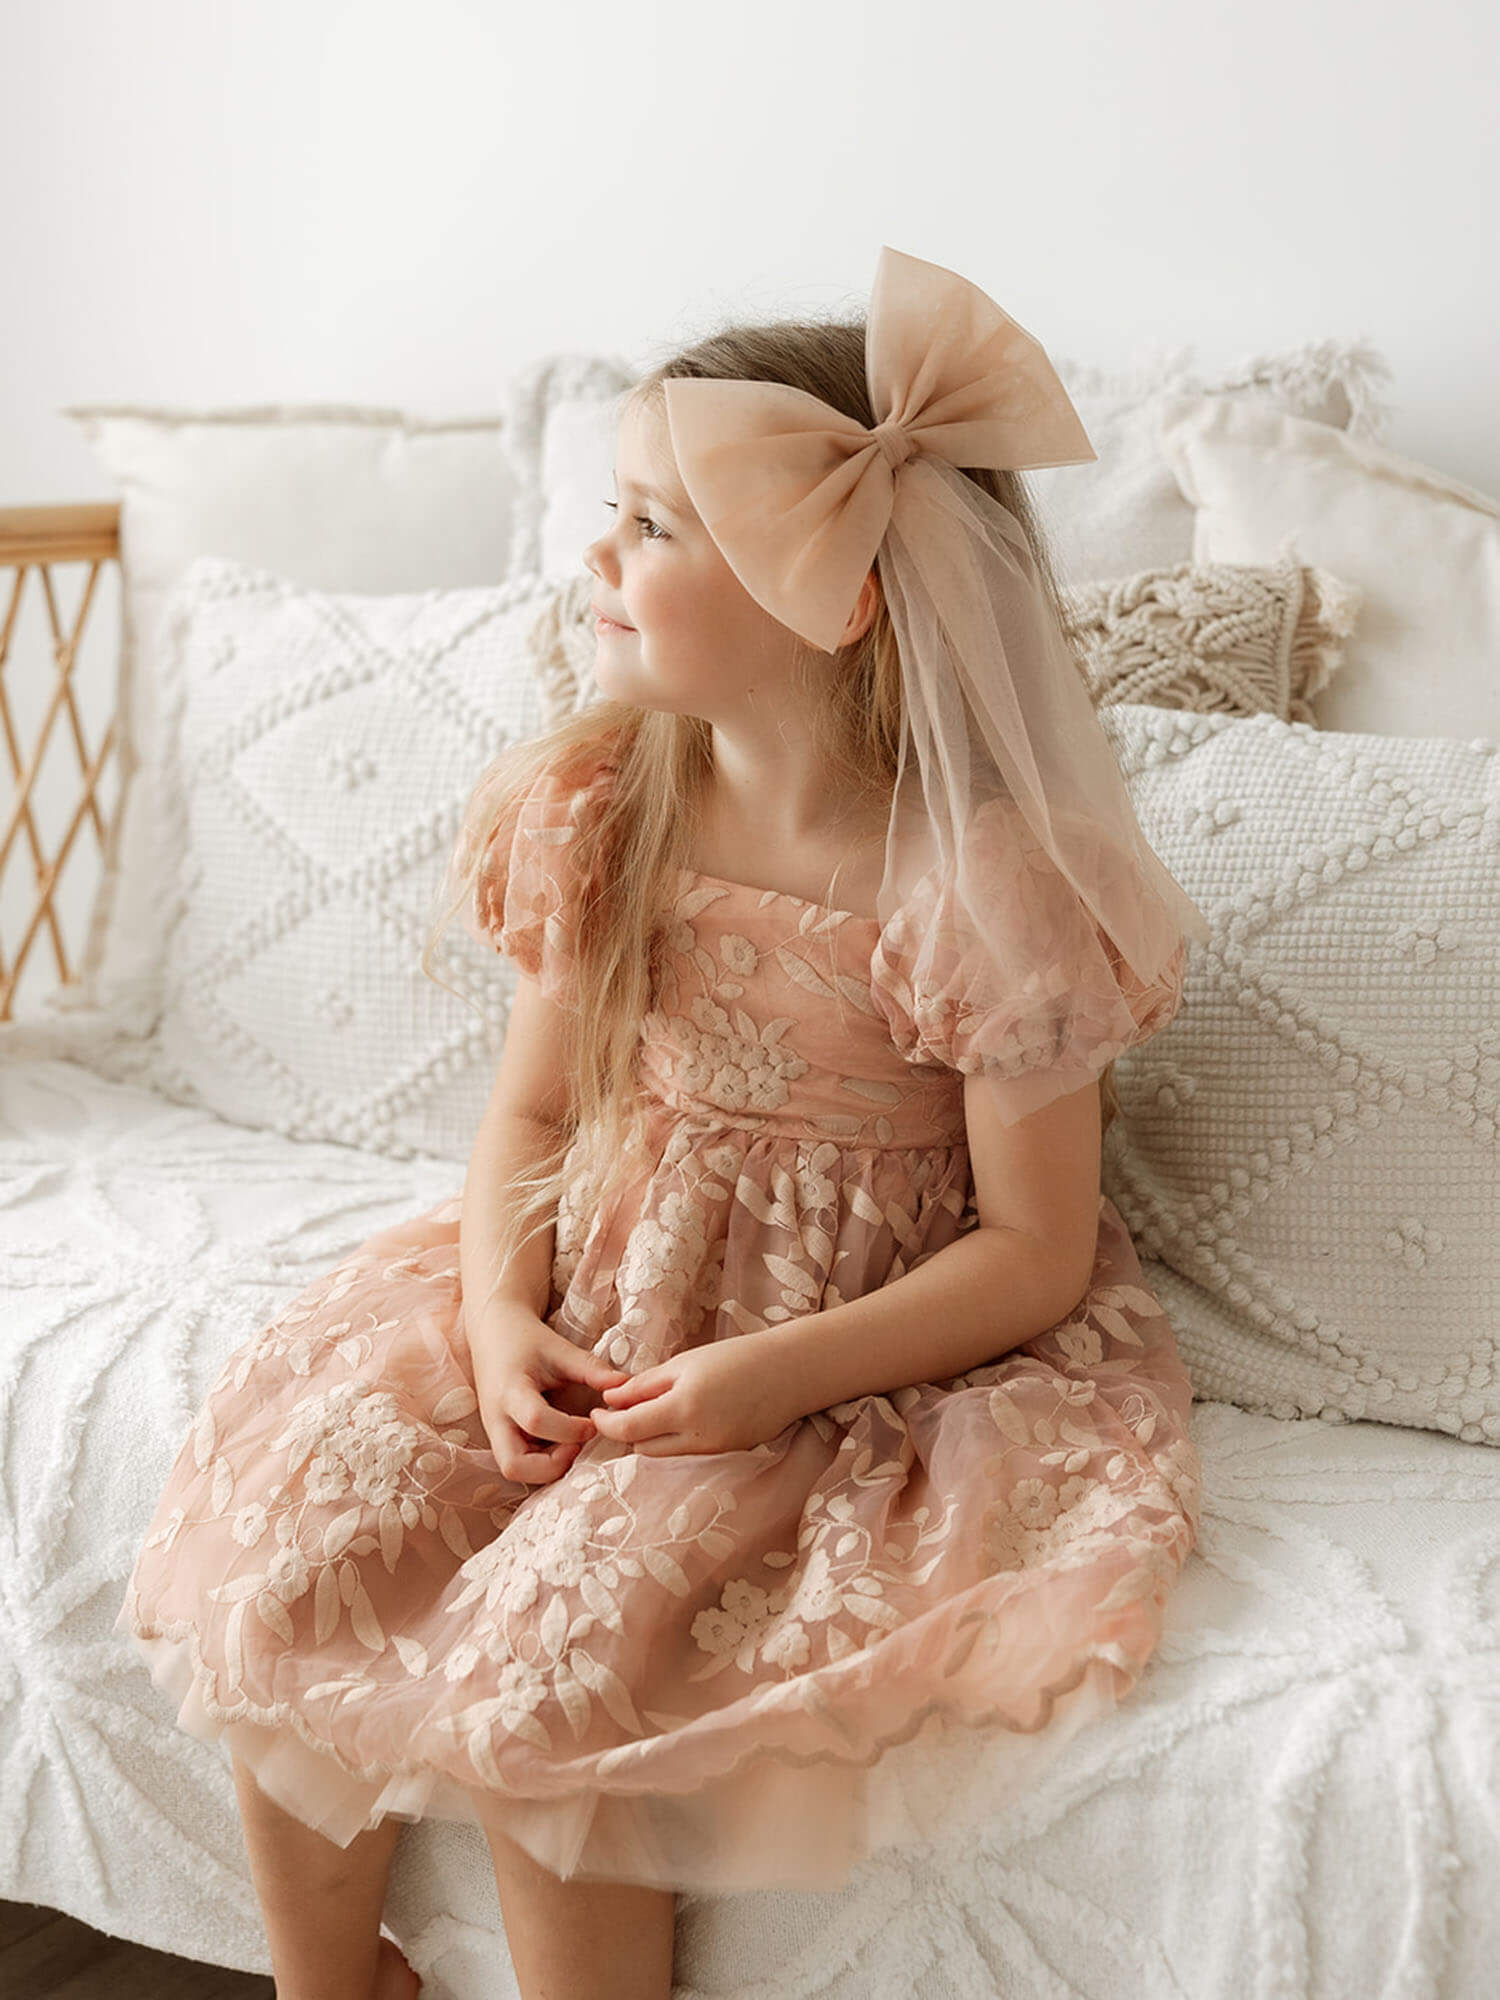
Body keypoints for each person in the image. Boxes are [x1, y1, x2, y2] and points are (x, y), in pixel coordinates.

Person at [115, 246, 1211, 2000]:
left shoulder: (977, 886)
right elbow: (539, 1105)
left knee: (555, 1678)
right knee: (304, 1547)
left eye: (651, 528)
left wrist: (768, 1380)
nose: (593, 562)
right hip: (586, 1282)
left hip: (835, 1356)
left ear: (831, 596)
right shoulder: (610, 801)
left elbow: (1037, 1248)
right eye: (609, 515)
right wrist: (491, 1312)